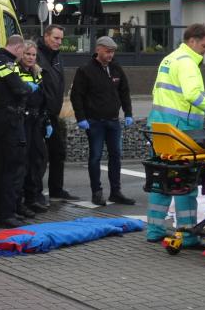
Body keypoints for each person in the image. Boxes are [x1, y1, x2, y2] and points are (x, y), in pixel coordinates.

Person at [146, 24, 205, 245]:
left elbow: (157, 92)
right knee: (184, 182)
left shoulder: (170, 59)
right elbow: (193, 95)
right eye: (204, 46)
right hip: (181, 132)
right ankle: (187, 236)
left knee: (162, 180)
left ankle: (154, 230)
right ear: (192, 41)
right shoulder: (187, 63)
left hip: (160, 129)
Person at [69, 36, 136, 206]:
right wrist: (81, 118)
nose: (110, 55)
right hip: (95, 122)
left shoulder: (116, 68)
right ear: (98, 49)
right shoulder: (85, 70)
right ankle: (96, 193)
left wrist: (128, 113)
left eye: (112, 52)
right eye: (107, 51)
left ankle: (116, 192)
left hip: (113, 121)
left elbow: (124, 91)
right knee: (95, 157)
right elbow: (77, 96)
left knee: (116, 156)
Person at [0, 34, 35, 228]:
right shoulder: (7, 64)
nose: (23, 56)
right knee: (12, 167)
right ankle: (7, 215)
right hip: (11, 119)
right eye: (23, 52)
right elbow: (20, 89)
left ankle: (0, 212)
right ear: (18, 48)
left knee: (0, 166)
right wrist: (30, 88)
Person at [37, 25, 79, 201]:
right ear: (46, 36)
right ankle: (35, 193)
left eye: (61, 39)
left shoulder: (57, 57)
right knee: (39, 156)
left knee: (58, 152)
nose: (59, 42)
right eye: (56, 38)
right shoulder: (36, 55)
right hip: (39, 114)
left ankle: (56, 189)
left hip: (53, 114)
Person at [17, 40, 51, 216]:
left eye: (33, 55)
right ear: (20, 54)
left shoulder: (37, 73)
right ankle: (21, 201)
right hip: (23, 121)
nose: (30, 58)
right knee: (23, 162)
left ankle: (33, 197)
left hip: (36, 121)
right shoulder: (16, 71)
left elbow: (43, 99)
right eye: (27, 54)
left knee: (37, 160)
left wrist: (47, 121)